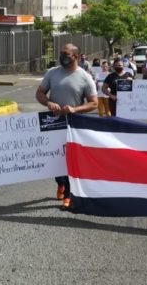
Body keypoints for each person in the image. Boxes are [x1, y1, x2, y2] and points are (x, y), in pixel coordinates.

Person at [35, 43, 99, 210]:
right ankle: (61, 183)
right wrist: (48, 103)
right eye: (61, 54)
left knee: (70, 160)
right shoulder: (52, 73)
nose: (62, 57)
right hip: (53, 124)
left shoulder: (85, 77)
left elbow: (94, 103)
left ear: (76, 57)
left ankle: (69, 195)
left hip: (74, 125)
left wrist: (75, 109)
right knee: (55, 158)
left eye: (66, 54)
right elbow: (40, 93)